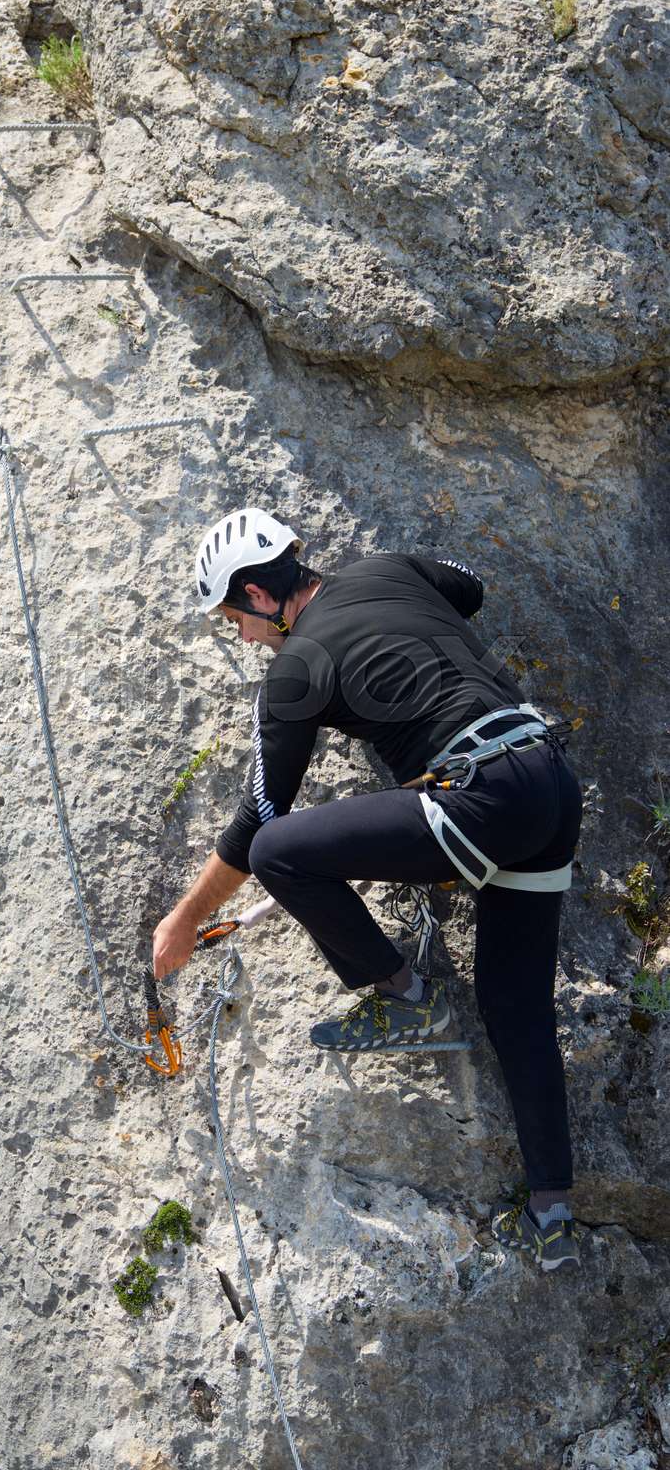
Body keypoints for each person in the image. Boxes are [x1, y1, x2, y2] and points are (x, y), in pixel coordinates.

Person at [152, 508, 583, 1272]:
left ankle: (404, 995)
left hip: (478, 793)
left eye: (234, 621)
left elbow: (260, 821)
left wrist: (186, 918)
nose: (244, 639)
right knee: (516, 1006)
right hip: (546, 778)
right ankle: (552, 1213)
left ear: (258, 593)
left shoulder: (294, 671)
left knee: (282, 851)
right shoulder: (386, 568)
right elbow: (469, 586)